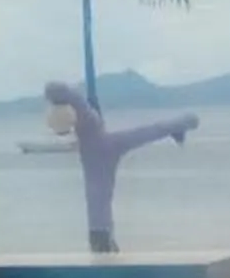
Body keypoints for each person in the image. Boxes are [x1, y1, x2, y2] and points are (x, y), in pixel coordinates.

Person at [45, 80, 201, 254]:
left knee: (98, 191)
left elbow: (57, 92)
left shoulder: (74, 104)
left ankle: (102, 236)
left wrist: (53, 98)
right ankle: (184, 122)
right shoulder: (77, 109)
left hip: (97, 149)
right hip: (100, 144)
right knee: (143, 135)